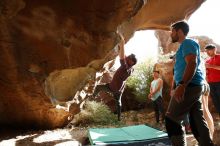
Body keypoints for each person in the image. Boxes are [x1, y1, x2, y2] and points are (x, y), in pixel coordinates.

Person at [165, 20, 214, 146]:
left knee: (172, 119)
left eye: (173, 31)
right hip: (192, 86)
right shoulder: (184, 46)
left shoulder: (187, 42)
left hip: (189, 86)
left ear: (179, 31)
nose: (171, 34)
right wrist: (176, 85)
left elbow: (192, 63)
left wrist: (182, 85)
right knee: (196, 119)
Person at [93, 32, 137, 121]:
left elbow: (122, 57)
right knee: (118, 101)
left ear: (132, 62)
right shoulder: (129, 68)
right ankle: (119, 118)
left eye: (130, 58)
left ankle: (93, 99)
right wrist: (121, 46)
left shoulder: (126, 67)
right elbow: (124, 55)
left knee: (98, 88)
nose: (128, 57)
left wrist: (123, 43)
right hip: (117, 88)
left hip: (114, 88)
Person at [205, 44, 220, 118]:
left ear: (214, 49)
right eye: (207, 50)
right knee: (216, 102)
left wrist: (211, 66)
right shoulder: (207, 61)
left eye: (209, 50)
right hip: (211, 84)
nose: (207, 52)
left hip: (219, 82)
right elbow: (207, 73)